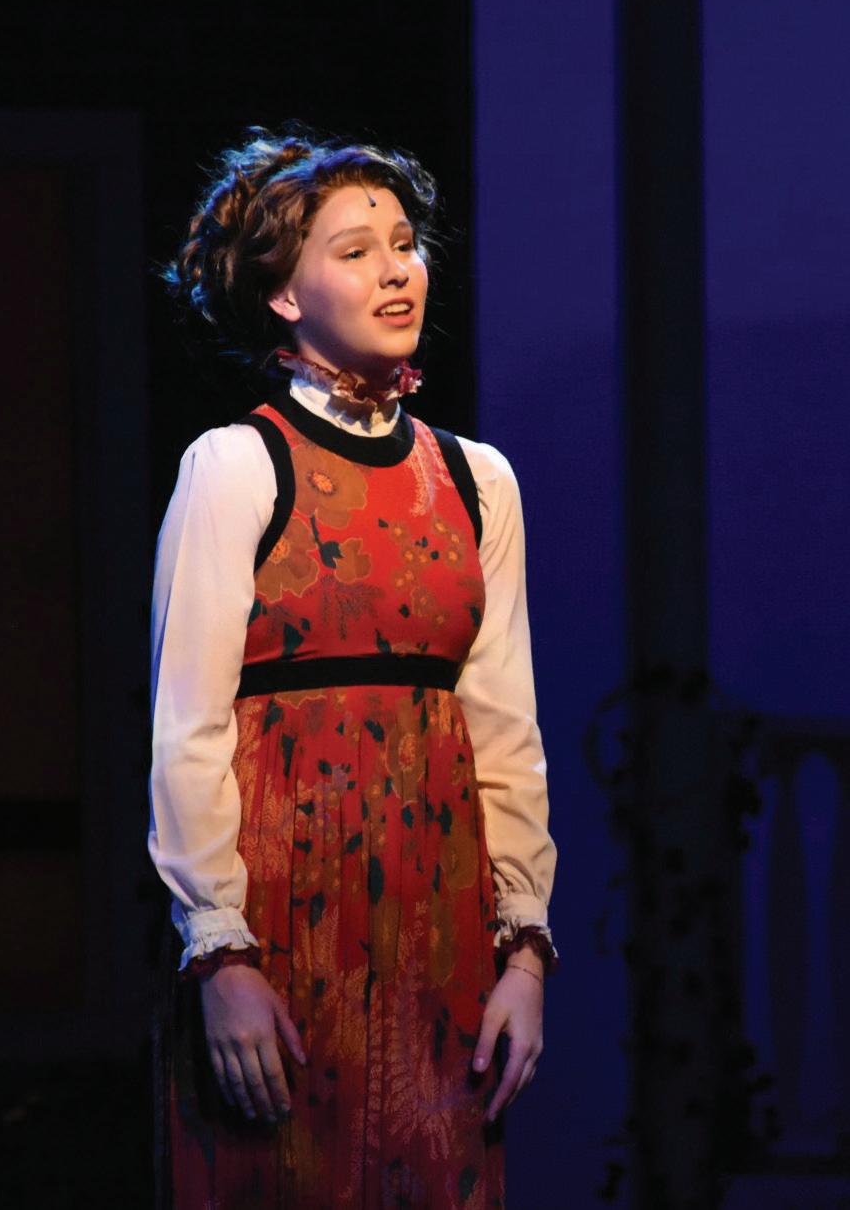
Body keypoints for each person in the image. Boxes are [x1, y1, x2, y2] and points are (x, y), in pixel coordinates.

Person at [148, 124, 558, 1209]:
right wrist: (220, 955)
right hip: (279, 923)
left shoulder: (477, 481)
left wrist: (524, 952)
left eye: (405, 244)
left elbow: (504, 729)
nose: (395, 270)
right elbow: (187, 728)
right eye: (356, 250)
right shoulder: (237, 466)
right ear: (285, 294)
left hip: (440, 927)